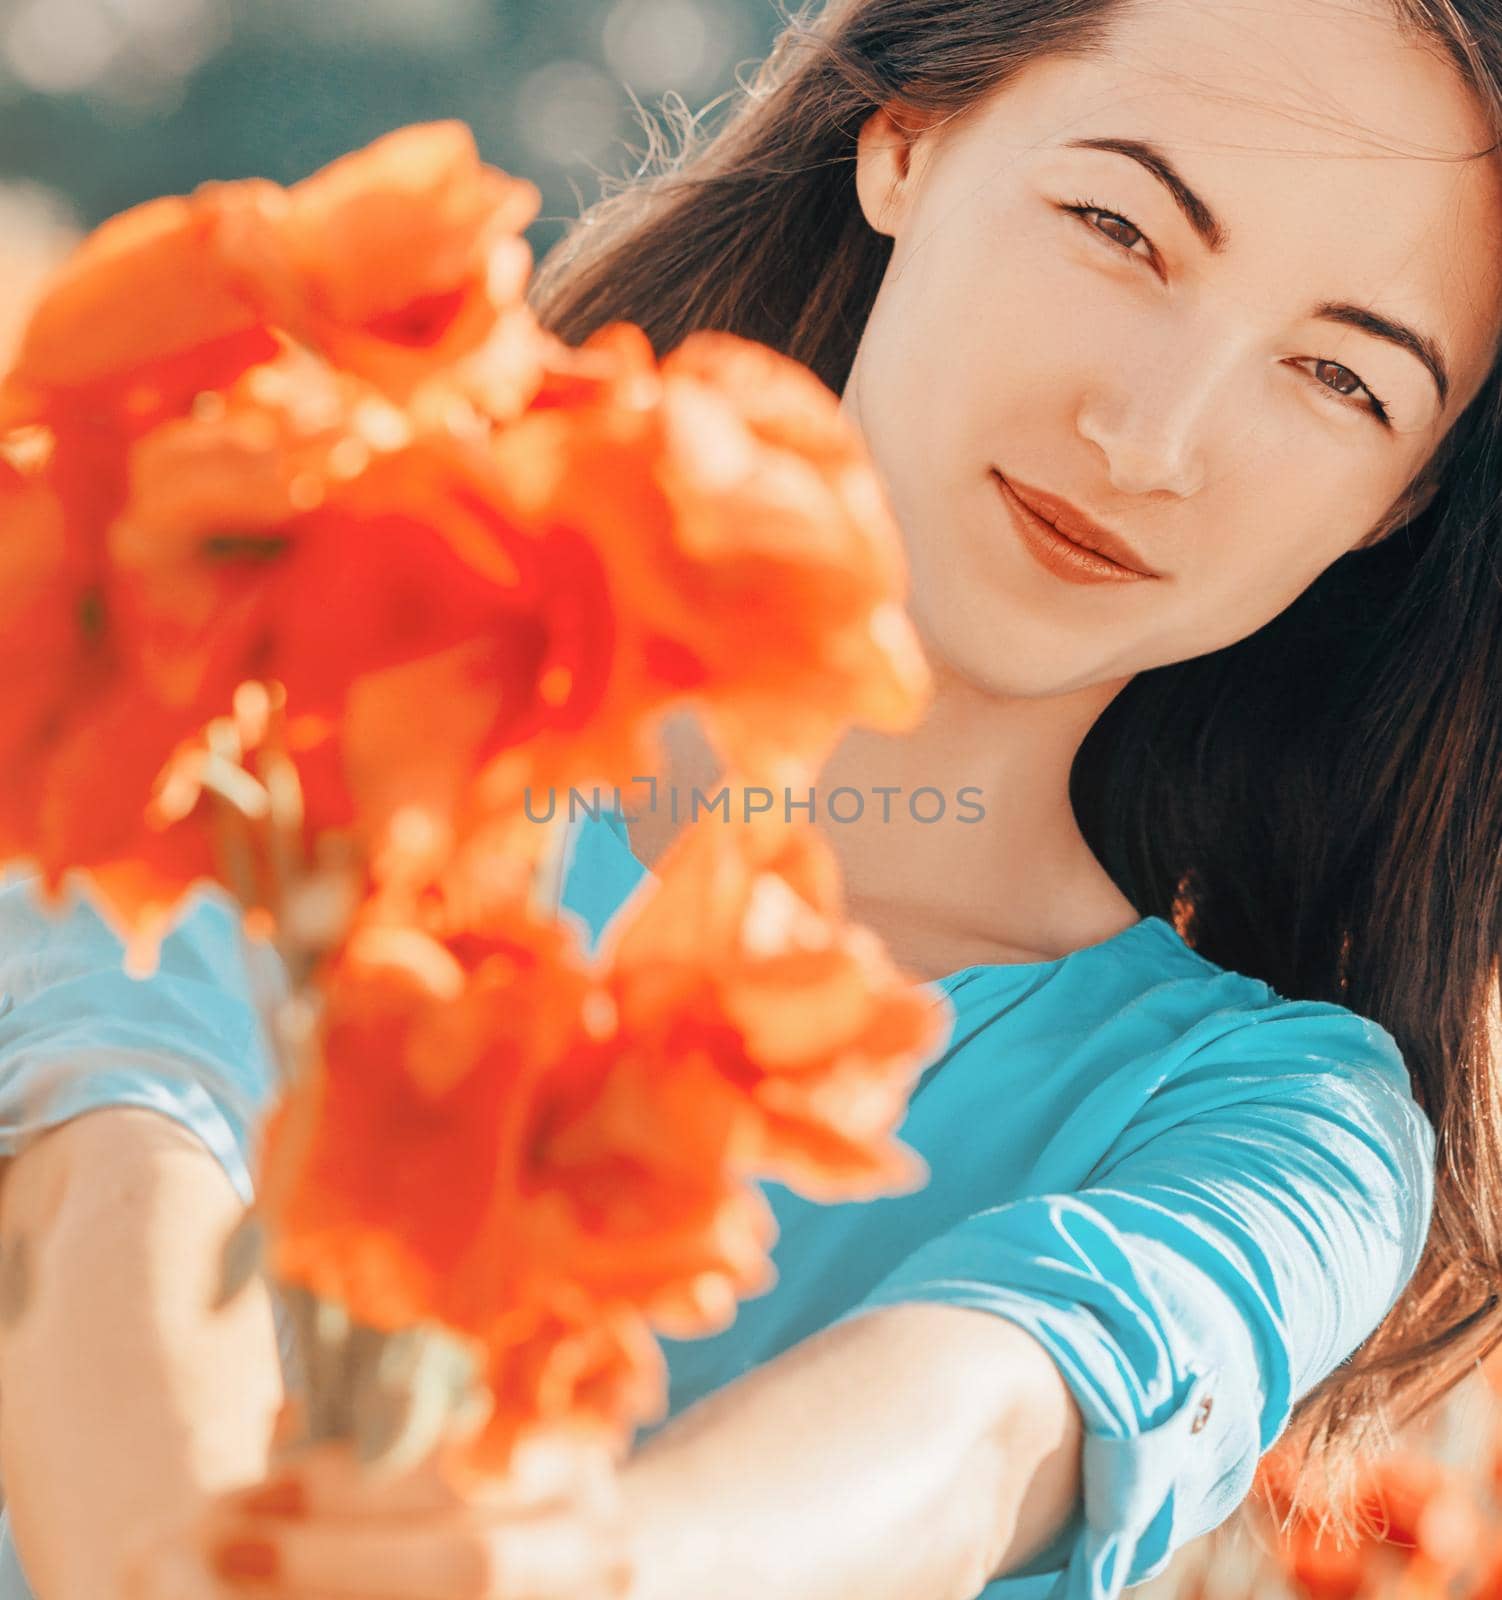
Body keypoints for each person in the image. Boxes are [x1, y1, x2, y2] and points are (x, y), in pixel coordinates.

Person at [3, 0, 1502, 1595]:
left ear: (1395, 499)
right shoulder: (311, 681)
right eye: (1116, 225)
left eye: (1340, 381)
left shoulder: (1272, 1122)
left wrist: (593, 1567)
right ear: (906, 142)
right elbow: (113, 1125)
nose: (1151, 441)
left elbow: (989, 1419)